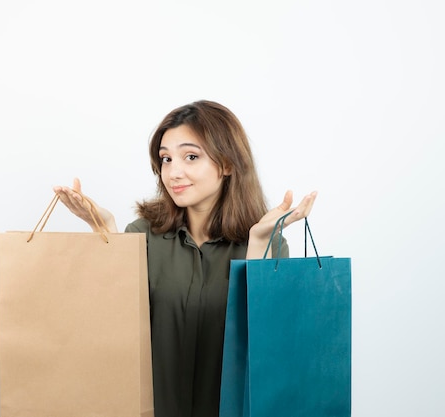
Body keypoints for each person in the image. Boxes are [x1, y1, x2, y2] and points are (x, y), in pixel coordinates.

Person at [53, 100, 317, 417]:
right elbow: (112, 332)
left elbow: (266, 348)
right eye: (165, 159)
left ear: (228, 164)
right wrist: (106, 230)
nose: (173, 172)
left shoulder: (267, 243)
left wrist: (259, 242)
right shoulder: (141, 235)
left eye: (190, 156)